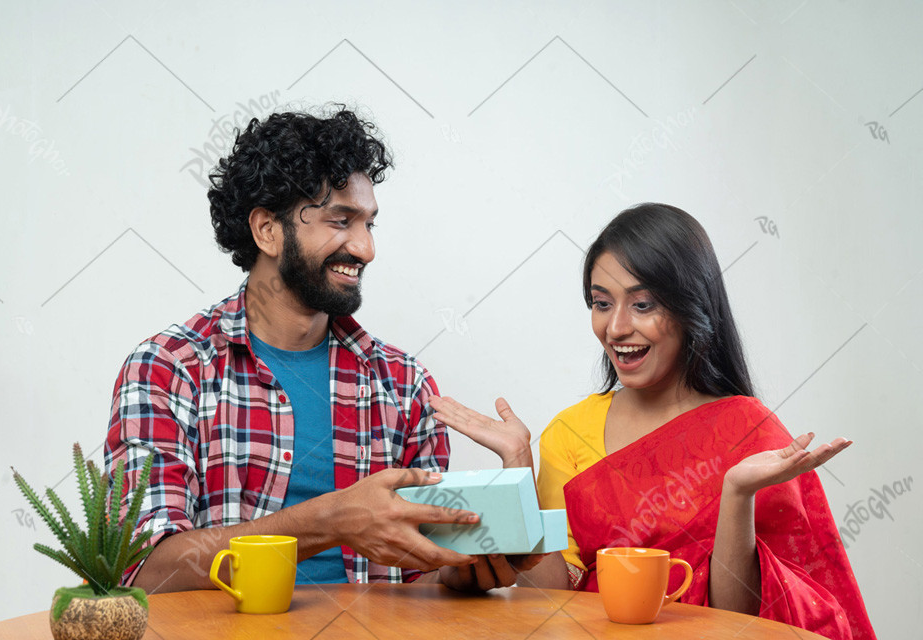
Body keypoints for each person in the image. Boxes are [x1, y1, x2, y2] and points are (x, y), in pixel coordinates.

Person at [104, 107, 535, 592]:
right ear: (267, 230)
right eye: (340, 220)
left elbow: (420, 583)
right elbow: (145, 571)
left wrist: (470, 567)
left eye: (369, 224)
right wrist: (329, 521)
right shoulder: (168, 370)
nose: (366, 248)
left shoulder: (403, 384)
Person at [429, 203, 876, 639]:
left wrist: (736, 494)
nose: (616, 327)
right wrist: (518, 464)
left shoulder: (747, 429)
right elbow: (549, 597)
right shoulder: (570, 430)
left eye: (642, 305)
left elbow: (745, 621)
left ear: (690, 307)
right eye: (602, 303)